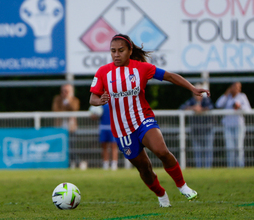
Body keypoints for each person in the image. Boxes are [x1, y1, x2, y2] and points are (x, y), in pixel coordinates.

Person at [89, 34, 210, 207]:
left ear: (130, 51)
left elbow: (169, 76)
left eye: (121, 51)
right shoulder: (103, 72)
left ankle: (182, 186)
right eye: (113, 51)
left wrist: (192, 88)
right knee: (144, 168)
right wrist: (98, 101)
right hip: (122, 130)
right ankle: (161, 195)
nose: (116, 54)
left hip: (143, 120)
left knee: (161, 150)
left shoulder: (142, 68)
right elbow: (92, 97)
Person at [215, 82, 251, 167]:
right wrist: (226, 93)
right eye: (235, 87)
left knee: (239, 147)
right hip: (227, 125)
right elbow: (218, 104)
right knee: (229, 147)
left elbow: (248, 110)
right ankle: (231, 166)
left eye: (239, 87)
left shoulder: (242, 96)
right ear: (231, 87)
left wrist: (240, 106)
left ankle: (240, 166)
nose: (238, 89)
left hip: (238, 125)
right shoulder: (227, 97)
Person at [179, 83, 214, 168]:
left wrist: (201, 109)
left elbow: (211, 107)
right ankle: (199, 168)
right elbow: (182, 107)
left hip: (207, 130)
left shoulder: (206, 100)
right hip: (195, 131)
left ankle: (207, 168)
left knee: (208, 151)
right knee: (197, 151)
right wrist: (193, 108)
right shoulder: (191, 101)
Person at [89, 104, 118, 170]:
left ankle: (114, 164)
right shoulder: (100, 104)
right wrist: (94, 115)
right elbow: (94, 116)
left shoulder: (114, 103)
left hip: (113, 127)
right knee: (104, 146)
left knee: (113, 146)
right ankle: (105, 164)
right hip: (103, 127)